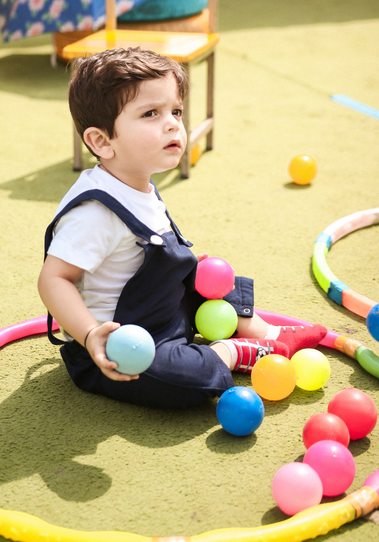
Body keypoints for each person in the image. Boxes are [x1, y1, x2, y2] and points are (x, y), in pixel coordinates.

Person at [38, 48, 327, 409]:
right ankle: (232, 351)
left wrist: (188, 269)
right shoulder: (95, 212)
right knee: (179, 382)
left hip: (163, 309)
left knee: (209, 272)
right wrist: (92, 334)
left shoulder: (137, 180)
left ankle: (264, 332)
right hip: (121, 350)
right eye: (150, 114)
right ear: (101, 141)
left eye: (175, 111)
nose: (174, 123)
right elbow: (53, 279)